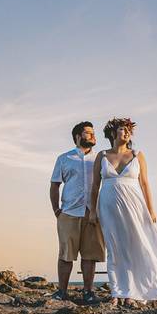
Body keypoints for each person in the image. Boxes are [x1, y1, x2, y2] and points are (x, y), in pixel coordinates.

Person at [88, 117, 157, 307]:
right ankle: (117, 292)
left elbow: (144, 183)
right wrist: (92, 211)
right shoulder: (102, 156)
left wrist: (151, 210)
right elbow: (94, 186)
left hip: (134, 206)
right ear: (112, 133)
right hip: (108, 205)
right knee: (114, 247)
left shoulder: (137, 155)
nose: (126, 133)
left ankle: (132, 292)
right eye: (122, 129)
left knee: (135, 245)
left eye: (128, 130)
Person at [49, 121, 106, 303]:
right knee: (66, 254)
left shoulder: (100, 159)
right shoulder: (64, 158)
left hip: (92, 213)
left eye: (93, 133)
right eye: (88, 133)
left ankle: (88, 292)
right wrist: (57, 210)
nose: (92, 136)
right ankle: (61, 292)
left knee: (90, 255)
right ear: (78, 136)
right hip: (69, 212)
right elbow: (55, 184)